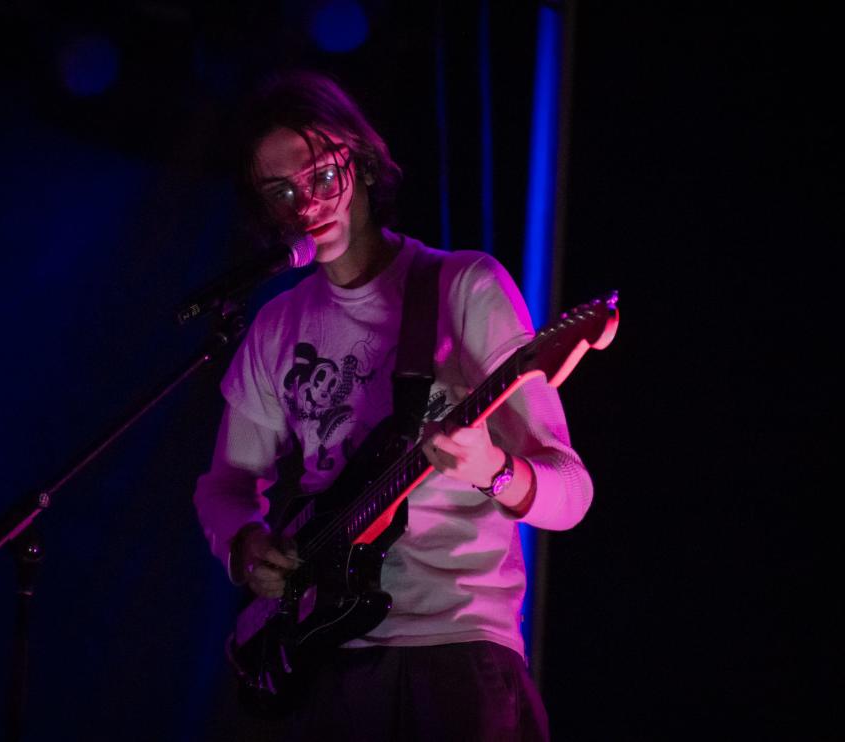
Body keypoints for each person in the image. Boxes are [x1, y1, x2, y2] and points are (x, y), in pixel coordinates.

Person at [194, 70, 592, 741]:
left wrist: (491, 466)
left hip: (457, 652)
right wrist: (245, 545)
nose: (306, 205)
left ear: (364, 164)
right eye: (280, 192)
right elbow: (225, 483)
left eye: (321, 177)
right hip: (323, 660)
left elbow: (570, 494)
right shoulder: (276, 327)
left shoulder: (460, 285)